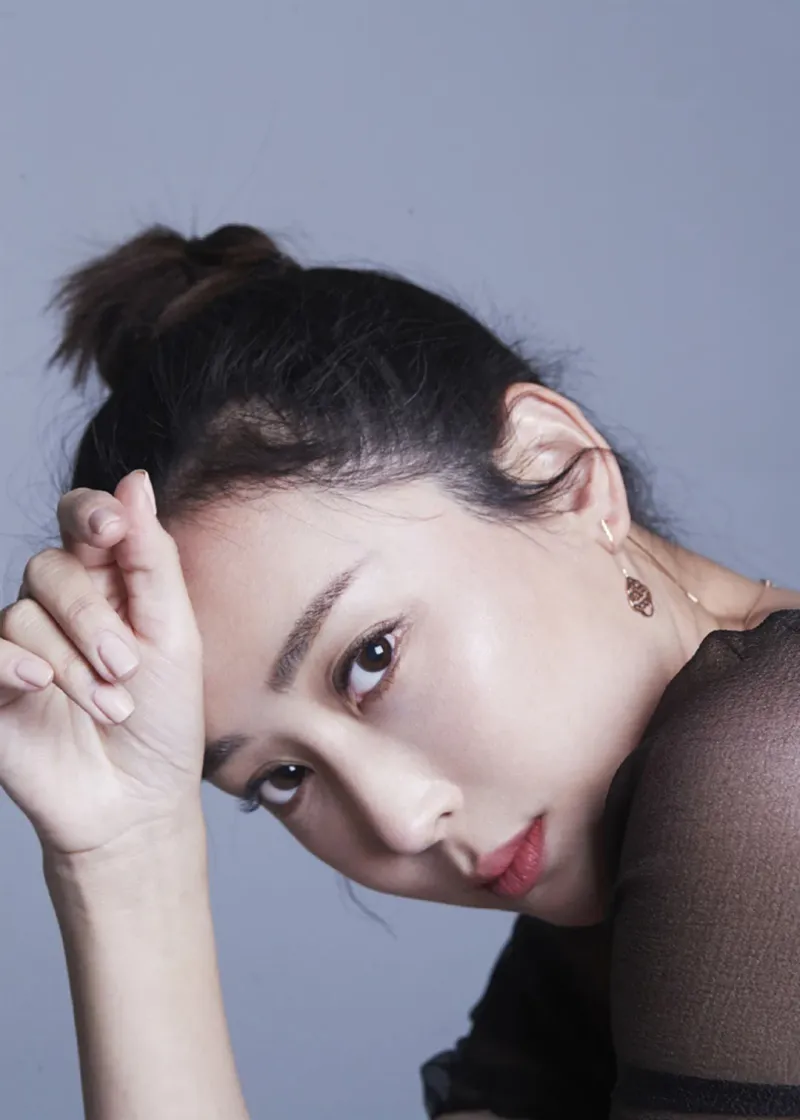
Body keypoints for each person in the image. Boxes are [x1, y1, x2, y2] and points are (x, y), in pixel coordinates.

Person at [0, 223, 798, 1120]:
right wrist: (124, 852)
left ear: (557, 465)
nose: (400, 822)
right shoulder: (612, 893)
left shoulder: (768, 774)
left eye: (372, 657)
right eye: (280, 776)